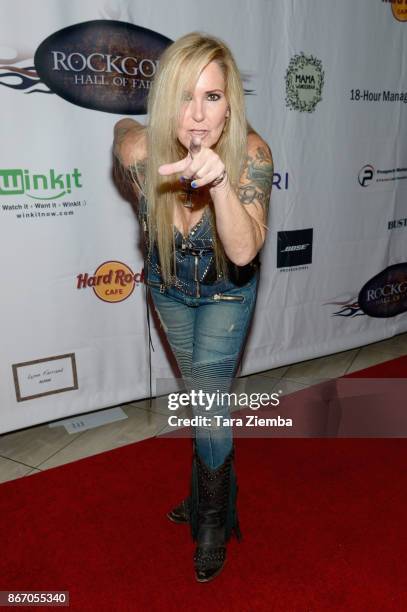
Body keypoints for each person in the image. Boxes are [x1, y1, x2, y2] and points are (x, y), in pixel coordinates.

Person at [113, 31, 273, 583]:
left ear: (231, 105)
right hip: (169, 290)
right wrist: (135, 136)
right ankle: (207, 491)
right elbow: (121, 132)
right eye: (185, 96)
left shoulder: (251, 155)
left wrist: (221, 183)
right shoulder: (143, 155)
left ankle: (211, 521)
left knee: (207, 399)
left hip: (228, 290)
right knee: (200, 396)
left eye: (213, 97)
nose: (198, 115)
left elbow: (245, 249)